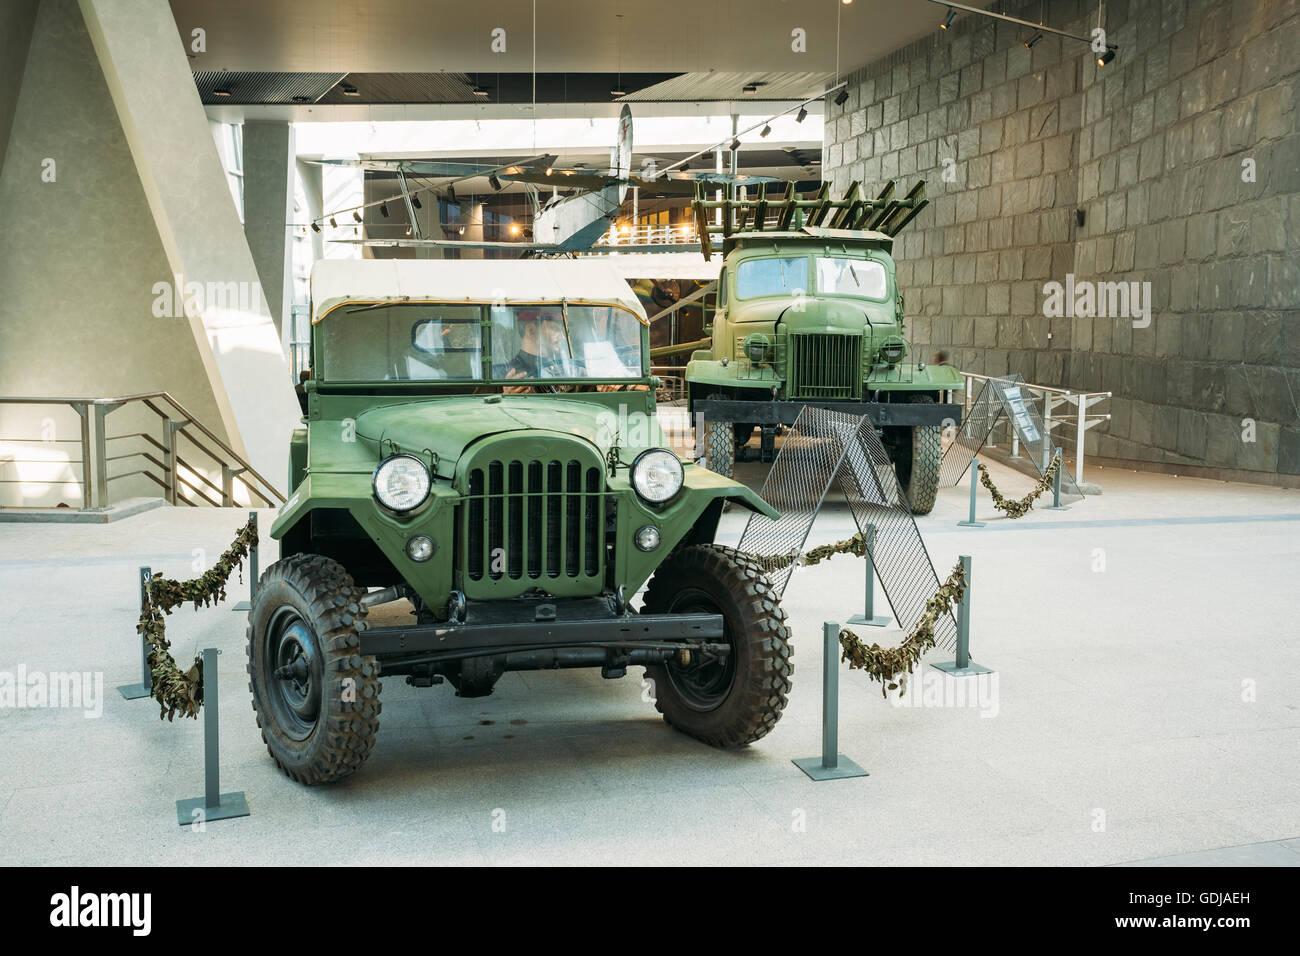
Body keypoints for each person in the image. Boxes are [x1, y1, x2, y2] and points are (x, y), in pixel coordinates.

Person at [502, 310, 577, 393]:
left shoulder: (561, 369)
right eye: (555, 328)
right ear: (531, 331)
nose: (562, 337)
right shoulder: (505, 375)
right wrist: (507, 397)